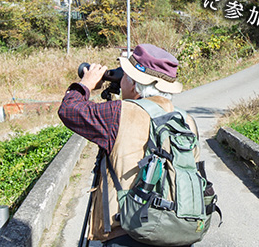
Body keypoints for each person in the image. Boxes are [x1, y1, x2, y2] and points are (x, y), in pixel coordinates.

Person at [58, 44, 198, 247]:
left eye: (125, 76)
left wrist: (86, 85)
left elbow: (69, 109)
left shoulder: (118, 113)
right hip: (177, 230)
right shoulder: (186, 120)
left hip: (127, 233)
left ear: (133, 85)